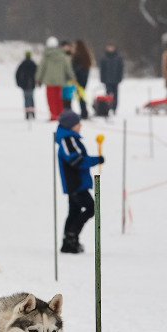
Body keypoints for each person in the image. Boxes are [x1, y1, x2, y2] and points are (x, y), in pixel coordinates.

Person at [56, 110, 105, 254]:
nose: (80, 126)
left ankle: (69, 243)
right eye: (78, 123)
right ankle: (71, 236)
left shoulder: (70, 139)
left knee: (74, 211)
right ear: (71, 125)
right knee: (91, 208)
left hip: (77, 183)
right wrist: (96, 160)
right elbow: (76, 161)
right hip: (76, 184)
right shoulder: (68, 140)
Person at [36, 36, 75, 121]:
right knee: (59, 98)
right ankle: (60, 114)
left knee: (51, 99)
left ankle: (53, 115)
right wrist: (73, 78)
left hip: (49, 81)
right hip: (60, 81)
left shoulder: (46, 56)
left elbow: (41, 68)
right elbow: (68, 68)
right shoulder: (62, 55)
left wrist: (38, 79)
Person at [99, 44, 124, 114]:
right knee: (108, 94)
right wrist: (102, 79)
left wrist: (120, 78)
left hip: (116, 80)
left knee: (115, 94)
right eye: (109, 47)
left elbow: (121, 69)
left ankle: (114, 108)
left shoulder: (118, 58)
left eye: (111, 47)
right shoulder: (104, 58)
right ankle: (108, 107)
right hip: (107, 80)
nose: (110, 49)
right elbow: (102, 70)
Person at [72, 39, 92, 119]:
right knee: (81, 96)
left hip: (79, 79)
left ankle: (84, 113)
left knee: (80, 96)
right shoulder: (85, 56)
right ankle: (84, 112)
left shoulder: (78, 56)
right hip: (83, 79)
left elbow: (76, 69)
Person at [15, 51, 37, 119]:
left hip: (24, 84)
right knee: (31, 98)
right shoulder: (33, 64)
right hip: (31, 84)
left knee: (26, 98)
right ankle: (32, 113)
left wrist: (18, 83)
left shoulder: (22, 64)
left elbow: (17, 74)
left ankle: (27, 113)